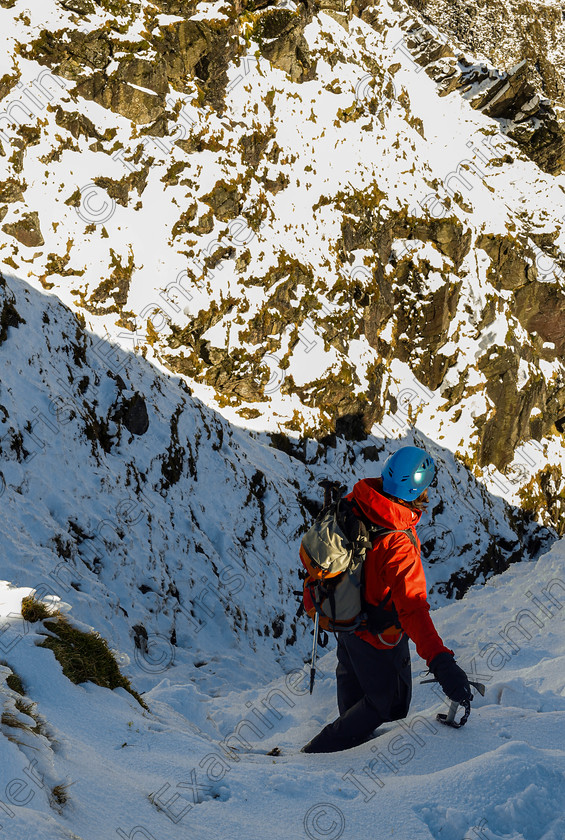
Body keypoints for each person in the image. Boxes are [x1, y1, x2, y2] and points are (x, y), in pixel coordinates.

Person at [300, 445, 472, 753]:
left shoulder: (356, 500)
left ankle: (347, 749)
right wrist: (442, 662)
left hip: (344, 614)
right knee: (389, 704)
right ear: (420, 490)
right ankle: (321, 753)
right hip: (378, 634)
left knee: (353, 690)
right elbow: (413, 608)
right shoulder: (398, 542)